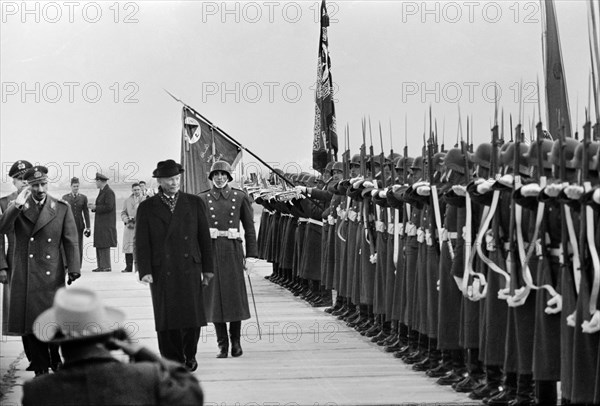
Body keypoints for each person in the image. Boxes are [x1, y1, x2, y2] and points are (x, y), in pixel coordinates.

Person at [22, 287, 204, 406]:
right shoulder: (146, 377)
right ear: (109, 335)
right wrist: (141, 352)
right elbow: (192, 394)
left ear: (57, 339)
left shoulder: (37, 392)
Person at [0, 166, 80, 376]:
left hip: (51, 273)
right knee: (31, 325)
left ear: (48, 183)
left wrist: (73, 268)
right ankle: (40, 368)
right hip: (25, 274)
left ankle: (54, 356)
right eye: (35, 185)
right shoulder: (16, 206)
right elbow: (3, 228)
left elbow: (71, 240)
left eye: (43, 184)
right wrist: (16, 206)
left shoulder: (61, 207)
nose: (40, 188)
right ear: (29, 186)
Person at [135, 159, 214, 370]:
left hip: (190, 268)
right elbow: (141, 243)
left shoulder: (194, 203)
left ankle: (190, 354)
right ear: (160, 181)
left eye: (177, 178)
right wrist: (145, 271)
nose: (174, 182)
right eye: (170, 179)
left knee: (192, 316)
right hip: (162, 270)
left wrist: (208, 269)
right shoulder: (147, 207)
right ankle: (172, 359)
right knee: (167, 317)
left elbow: (204, 238)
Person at [199, 160, 258, 358]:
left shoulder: (240, 197)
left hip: (233, 251)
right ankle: (222, 344)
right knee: (214, 298)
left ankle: (236, 342)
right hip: (212, 251)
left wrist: (251, 256)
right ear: (211, 177)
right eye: (216, 174)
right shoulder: (203, 199)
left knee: (233, 297)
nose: (220, 178)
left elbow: (249, 229)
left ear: (229, 177)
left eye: (223, 174)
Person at [88, 173, 117, 272]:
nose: (95, 183)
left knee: (104, 243)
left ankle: (106, 266)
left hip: (106, 224)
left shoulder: (109, 192)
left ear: (100, 181)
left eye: (96, 181)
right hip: (101, 223)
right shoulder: (103, 191)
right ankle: (101, 265)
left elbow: (109, 207)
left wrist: (96, 207)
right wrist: (94, 208)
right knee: (100, 243)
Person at [62, 177, 91, 267]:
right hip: (68, 225)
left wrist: (88, 227)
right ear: (71, 186)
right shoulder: (65, 197)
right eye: (74, 186)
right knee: (68, 244)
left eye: (77, 186)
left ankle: (78, 265)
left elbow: (86, 213)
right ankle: (68, 263)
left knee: (78, 244)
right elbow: (62, 212)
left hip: (79, 225)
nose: (76, 188)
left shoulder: (83, 198)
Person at [120, 183, 142, 272]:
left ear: (141, 190)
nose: (136, 191)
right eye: (135, 190)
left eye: (138, 189)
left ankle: (140, 268)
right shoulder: (127, 200)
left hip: (140, 226)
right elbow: (123, 212)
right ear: (132, 190)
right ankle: (128, 267)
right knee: (128, 246)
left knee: (140, 247)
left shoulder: (145, 200)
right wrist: (126, 219)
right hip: (129, 226)